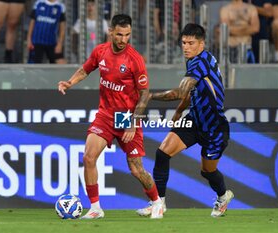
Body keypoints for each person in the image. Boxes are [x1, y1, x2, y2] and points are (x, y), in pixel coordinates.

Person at [58, 14, 163, 219]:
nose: (123, 40)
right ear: (111, 32)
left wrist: (133, 123)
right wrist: (70, 82)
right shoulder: (100, 51)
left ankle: (156, 201)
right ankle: (96, 208)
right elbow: (85, 69)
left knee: (136, 169)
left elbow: (144, 94)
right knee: (88, 157)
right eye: (119, 34)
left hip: (126, 118)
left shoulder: (135, 60)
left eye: (127, 35)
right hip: (105, 115)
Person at [136, 23, 234, 218]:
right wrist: (180, 111)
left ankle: (223, 196)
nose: (186, 47)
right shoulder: (194, 61)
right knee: (163, 153)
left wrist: (150, 96)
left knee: (207, 172)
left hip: (214, 128)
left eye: (191, 43)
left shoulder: (200, 62)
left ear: (202, 44)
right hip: (194, 120)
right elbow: (190, 92)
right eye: (183, 42)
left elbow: (180, 91)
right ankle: (159, 203)